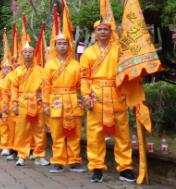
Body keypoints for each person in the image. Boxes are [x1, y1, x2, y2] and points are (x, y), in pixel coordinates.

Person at [80, 20, 137, 183]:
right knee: (94, 134)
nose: (103, 32)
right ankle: (96, 168)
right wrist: (86, 96)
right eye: (100, 29)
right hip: (96, 96)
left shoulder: (119, 51)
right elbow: (84, 77)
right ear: (95, 33)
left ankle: (125, 168)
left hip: (116, 94)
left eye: (106, 29)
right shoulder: (88, 53)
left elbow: (127, 72)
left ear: (111, 32)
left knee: (123, 134)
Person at [42, 32, 86, 173]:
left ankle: (74, 161)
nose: (62, 46)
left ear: (69, 46)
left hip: (73, 100)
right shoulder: (49, 65)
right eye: (59, 44)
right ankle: (58, 161)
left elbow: (82, 84)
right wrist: (45, 104)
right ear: (54, 46)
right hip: (55, 101)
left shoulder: (76, 65)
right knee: (57, 133)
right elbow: (45, 86)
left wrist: (85, 98)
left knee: (74, 132)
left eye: (64, 43)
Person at [11, 43, 49, 167]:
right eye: (25, 52)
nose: (27, 54)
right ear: (21, 55)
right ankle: (22, 155)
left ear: (34, 54)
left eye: (30, 52)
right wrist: (14, 104)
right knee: (22, 130)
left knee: (40, 130)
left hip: (37, 102)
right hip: (22, 102)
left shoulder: (40, 70)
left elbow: (45, 87)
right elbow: (14, 88)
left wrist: (45, 101)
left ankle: (39, 155)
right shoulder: (17, 71)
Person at [0, 59, 15, 157]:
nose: (7, 70)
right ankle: (4, 146)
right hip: (3, 105)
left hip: (13, 104)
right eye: (5, 69)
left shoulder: (14, 78)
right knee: (3, 127)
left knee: (13, 128)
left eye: (9, 68)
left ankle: (12, 146)